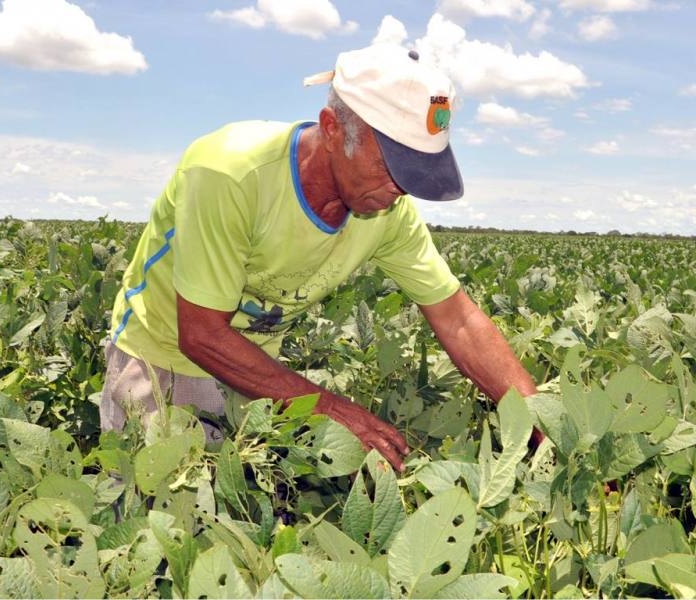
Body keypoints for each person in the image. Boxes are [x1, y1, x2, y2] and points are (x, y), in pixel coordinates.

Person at [101, 43, 539, 471]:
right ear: (332, 128)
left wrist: (542, 423)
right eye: (393, 165)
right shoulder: (231, 173)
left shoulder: (387, 210)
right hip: (161, 365)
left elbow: (458, 320)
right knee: (157, 520)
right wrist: (334, 411)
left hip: (260, 375)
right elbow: (200, 335)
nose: (401, 188)